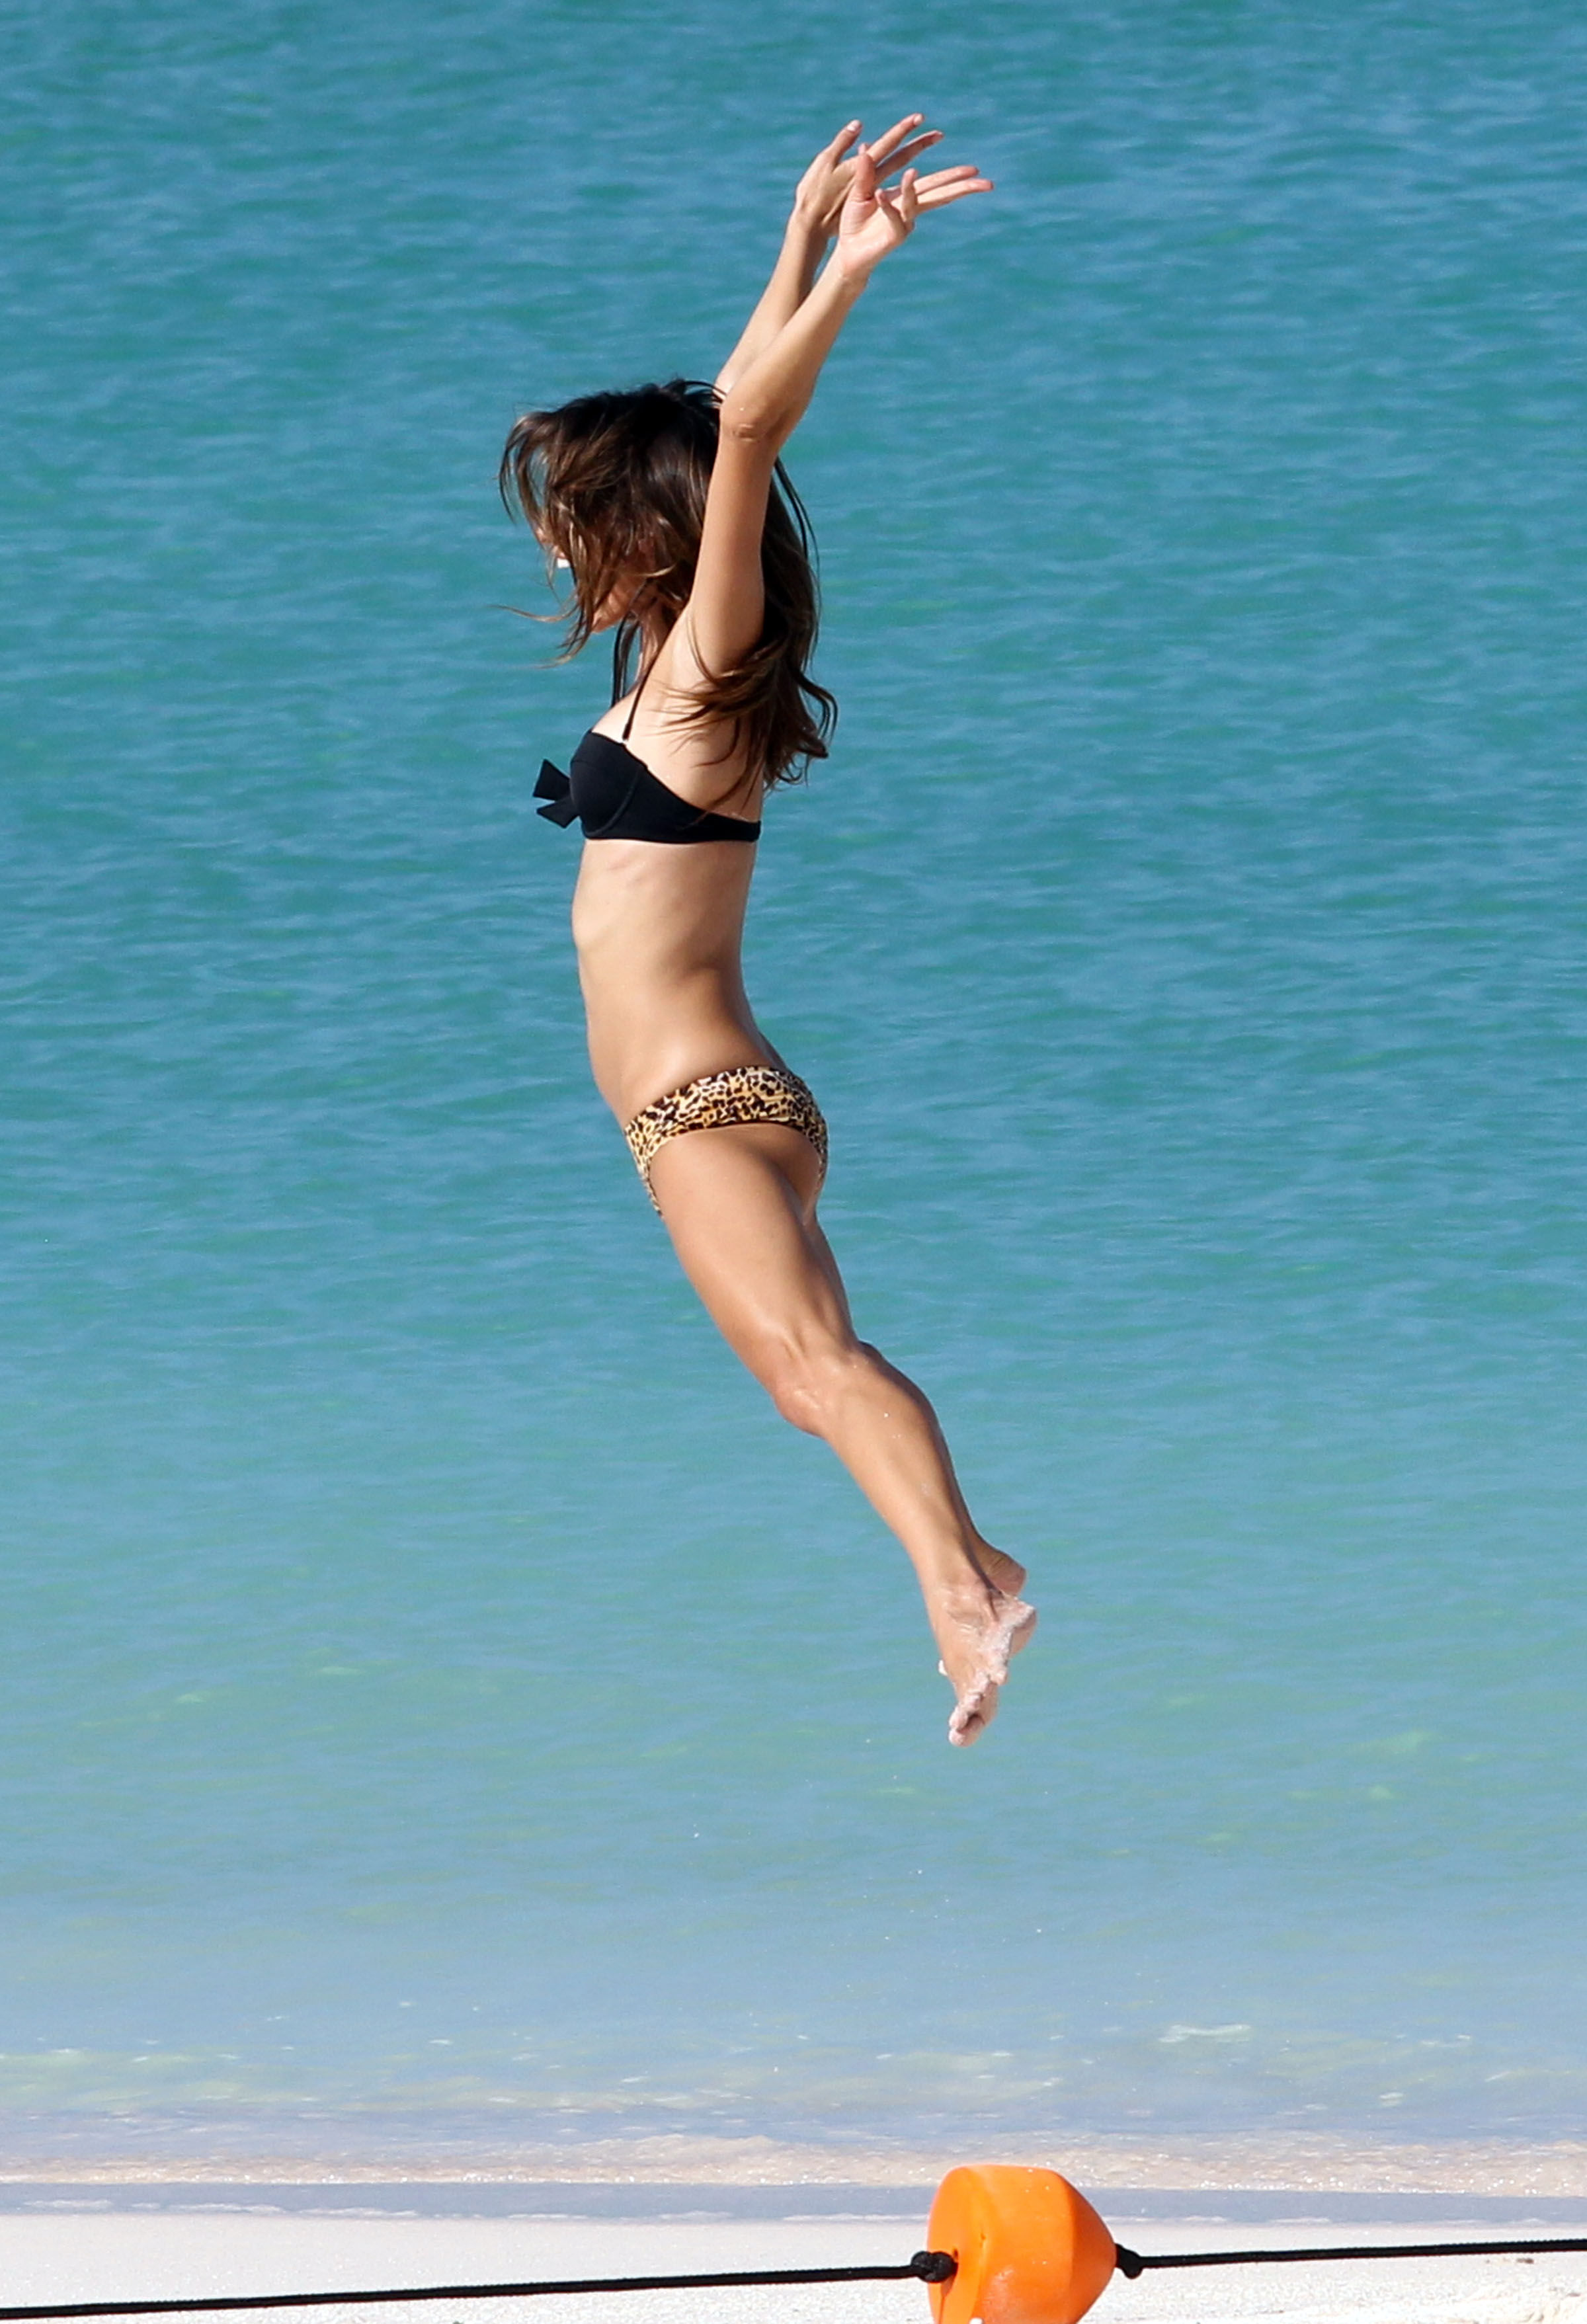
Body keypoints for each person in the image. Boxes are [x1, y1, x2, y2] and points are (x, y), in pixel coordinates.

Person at [501, 117, 1035, 1745]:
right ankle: (970, 1557)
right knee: (803, 1379)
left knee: (818, 1368)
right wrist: (794, 241)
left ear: (649, 544)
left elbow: (738, 449)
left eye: (585, 519)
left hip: (706, 1108)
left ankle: (965, 1587)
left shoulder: (715, 667)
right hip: (710, 1114)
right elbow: (721, 421)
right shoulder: (668, 666)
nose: (564, 544)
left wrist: (853, 278)